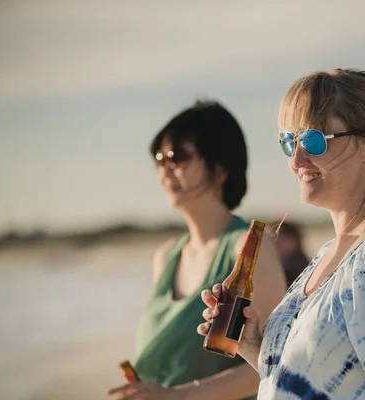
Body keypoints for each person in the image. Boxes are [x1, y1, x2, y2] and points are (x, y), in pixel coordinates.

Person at [199, 69, 365, 399]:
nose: (297, 159)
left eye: (313, 140)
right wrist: (253, 347)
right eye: (289, 142)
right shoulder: (327, 255)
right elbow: (315, 384)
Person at [107, 101, 287, 400]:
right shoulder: (166, 255)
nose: (165, 169)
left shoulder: (249, 248)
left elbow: (271, 362)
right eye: (159, 159)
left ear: (219, 169)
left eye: (177, 157)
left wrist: (174, 396)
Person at [269, 220, 310, 286]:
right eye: (271, 239)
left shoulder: (299, 268)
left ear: (294, 241)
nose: (275, 243)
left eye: (281, 239)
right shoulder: (275, 264)